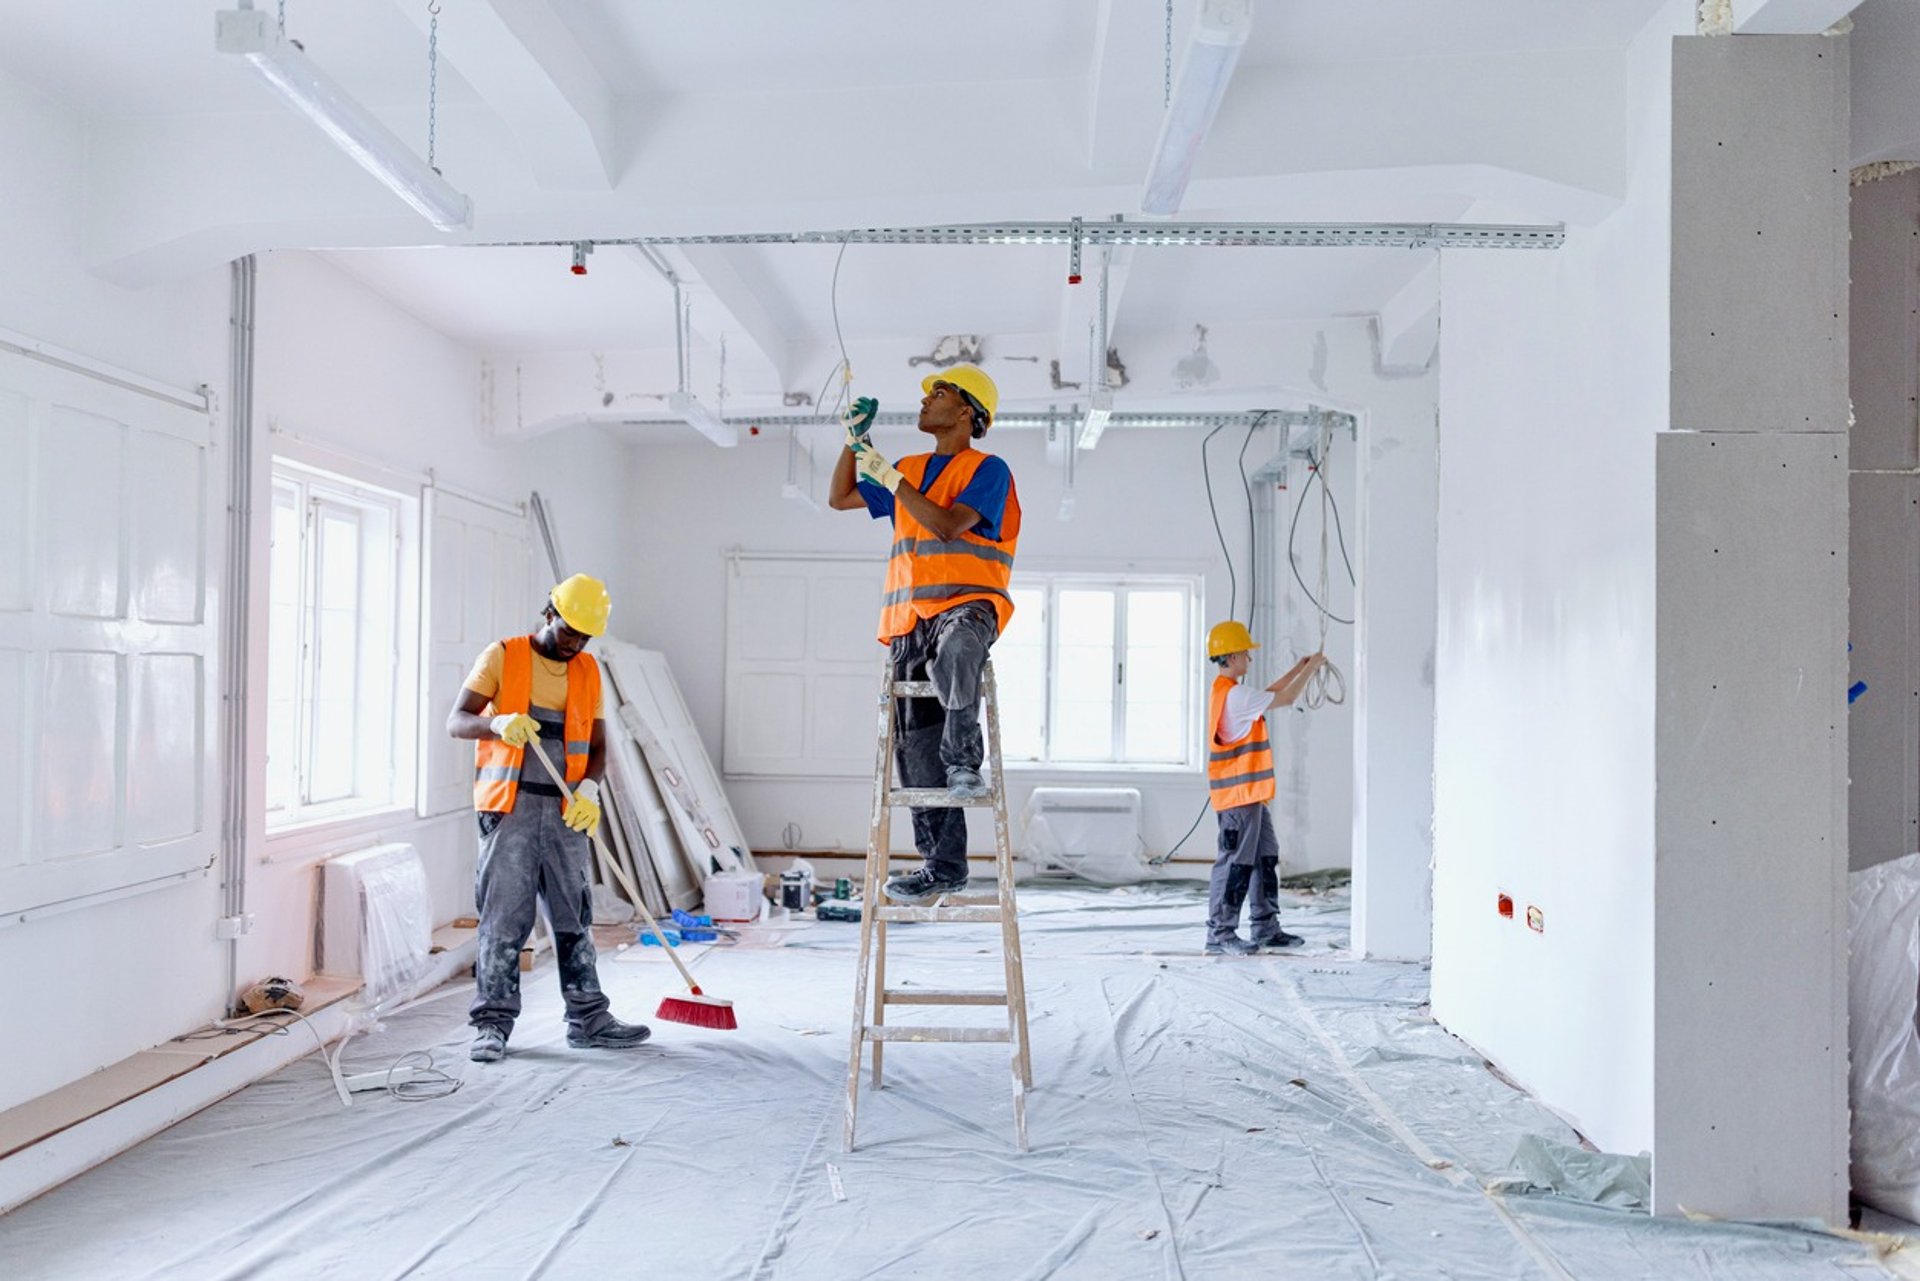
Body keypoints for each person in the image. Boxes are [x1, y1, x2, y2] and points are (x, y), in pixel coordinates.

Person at [827, 365, 1021, 904]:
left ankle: (965, 760)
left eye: (938, 393)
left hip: (967, 605)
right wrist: (855, 442)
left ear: (966, 412)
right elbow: (840, 497)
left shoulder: (988, 469)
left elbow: (946, 524)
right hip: (910, 622)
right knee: (914, 754)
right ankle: (943, 867)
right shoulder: (911, 468)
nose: (925, 400)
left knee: (960, 651)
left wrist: (892, 480)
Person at [446, 573, 653, 1062]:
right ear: (549, 614)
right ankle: (492, 1025)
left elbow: (599, 746)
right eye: (569, 632)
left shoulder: (587, 671)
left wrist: (590, 789)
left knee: (574, 916)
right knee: (504, 920)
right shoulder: (503, 655)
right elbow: (457, 721)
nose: (575, 643)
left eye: (584, 636)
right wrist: (496, 722)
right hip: (510, 810)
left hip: (565, 813)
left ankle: (589, 1018)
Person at [1203, 620, 1325, 955]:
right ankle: (1221, 932)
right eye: (1245, 653)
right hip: (1239, 798)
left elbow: (1269, 694)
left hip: (1251, 796)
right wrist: (1311, 669)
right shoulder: (1235, 695)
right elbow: (1284, 699)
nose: (1249, 660)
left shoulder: (1230, 692)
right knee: (1236, 863)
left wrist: (1297, 669)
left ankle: (1265, 926)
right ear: (1230, 656)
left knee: (1263, 856)